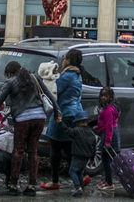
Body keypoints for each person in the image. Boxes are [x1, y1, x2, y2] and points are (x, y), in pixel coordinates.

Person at [0, 61, 59, 196]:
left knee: (18, 150)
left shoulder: (10, 82)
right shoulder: (34, 78)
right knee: (33, 151)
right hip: (39, 117)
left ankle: (13, 184)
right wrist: (57, 112)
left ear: (10, 73)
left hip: (22, 119)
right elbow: (50, 96)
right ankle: (32, 185)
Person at [42, 49, 89, 191]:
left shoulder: (67, 76)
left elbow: (53, 91)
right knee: (68, 147)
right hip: (74, 113)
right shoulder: (77, 74)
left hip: (63, 112)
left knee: (55, 146)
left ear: (68, 61)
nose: (62, 60)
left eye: (64, 58)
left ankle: (55, 181)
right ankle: (82, 175)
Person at [95, 86, 121, 194]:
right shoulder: (113, 107)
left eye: (106, 96)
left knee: (106, 160)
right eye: (102, 95)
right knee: (106, 159)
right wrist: (99, 127)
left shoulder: (108, 110)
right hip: (111, 133)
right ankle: (107, 180)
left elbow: (109, 126)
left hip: (109, 136)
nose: (103, 98)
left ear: (110, 97)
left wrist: (107, 142)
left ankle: (110, 183)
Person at [67, 118, 97, 198]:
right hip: (86, 157)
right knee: (80, 172)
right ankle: (81, 187)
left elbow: (67, 131)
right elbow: (94, 147)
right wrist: (92, 158)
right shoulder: (91, 133)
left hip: (77, 155)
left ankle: (78, 188)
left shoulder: (76, 130)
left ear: (78, 122)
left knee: (72, 171)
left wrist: (60, 123)